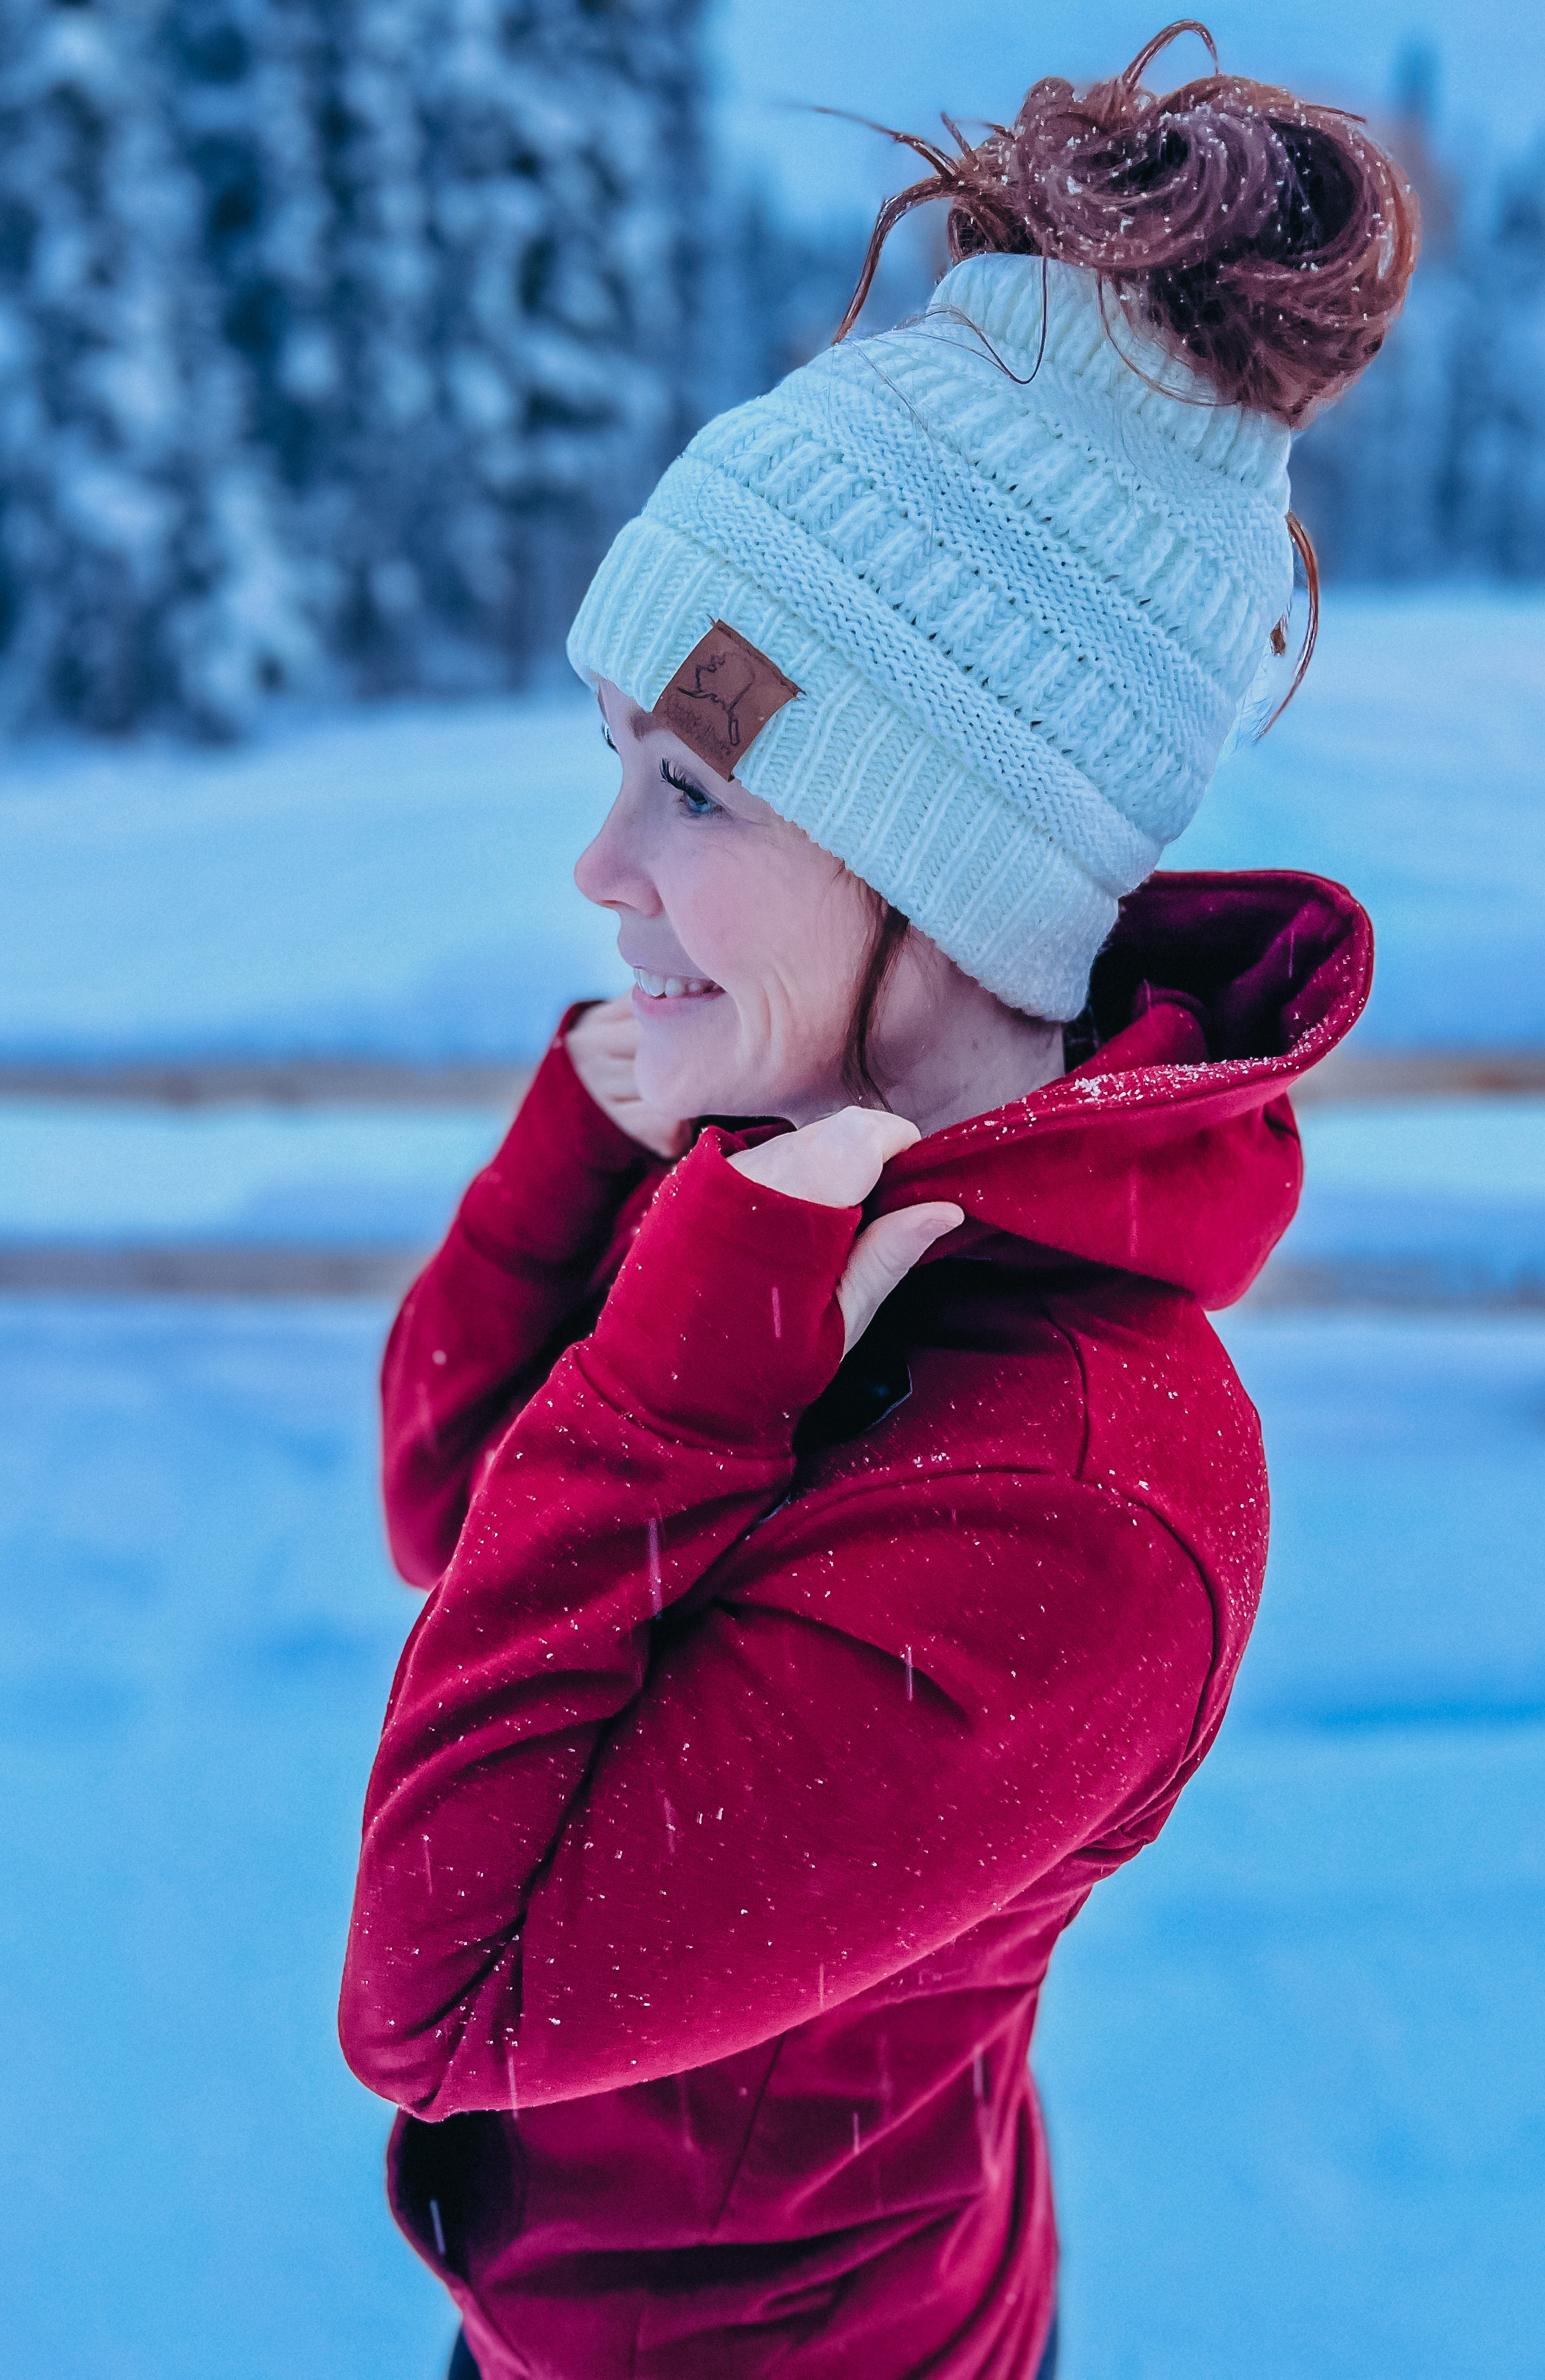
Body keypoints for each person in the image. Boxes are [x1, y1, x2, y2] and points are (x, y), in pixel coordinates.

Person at [339, 24, 1417, 2378]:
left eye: (697, 787)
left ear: (954, 869)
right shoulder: (797, 1174)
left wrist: (701, 1331)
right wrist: (603, 1139)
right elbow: (451, 1495)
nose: (600, 864)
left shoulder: (1090, 1496)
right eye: (614, 762)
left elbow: (442, 1994)